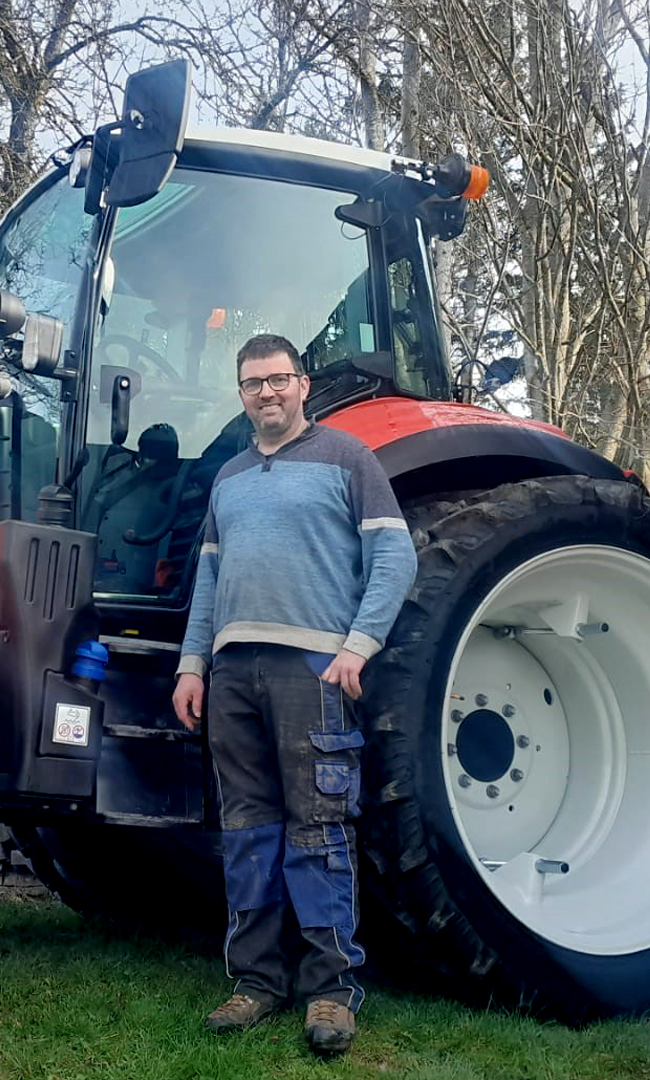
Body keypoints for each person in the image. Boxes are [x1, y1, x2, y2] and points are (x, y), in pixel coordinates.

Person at [171, 333, 417, 1056]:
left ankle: (332, 993)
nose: (267, 393)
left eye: (278, 380)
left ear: (302, 385)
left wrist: (356, 648)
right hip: (233, 674)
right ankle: (256, 984)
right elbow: (209, 581)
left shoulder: (348, 459)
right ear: (241, 395)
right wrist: (192, 666)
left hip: (310, 670)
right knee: (247, 835)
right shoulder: (230, 477)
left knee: (319, 829)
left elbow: (394, 555)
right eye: (253, 384)